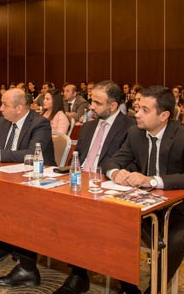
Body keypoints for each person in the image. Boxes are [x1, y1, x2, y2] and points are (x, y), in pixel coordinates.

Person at [103, 85, 184, 294]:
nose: (137, 114)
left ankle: (154, 290)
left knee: (173, 242)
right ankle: (129, 287)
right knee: (109, 226)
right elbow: (111, 162)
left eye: (145, 110)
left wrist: (152, 181)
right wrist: (115, 173)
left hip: (180, 211)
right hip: (142, 207)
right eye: (138, 108)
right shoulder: (135, 133)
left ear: (164, 115)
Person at [54, 81, 134, 294]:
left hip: (106, 186)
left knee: (83, 215)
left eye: (98, 103)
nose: (91, 107)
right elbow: (77, 158)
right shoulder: (89, 126)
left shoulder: (130, 128)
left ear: (113, 106)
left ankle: (81, 274)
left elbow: (130, 163)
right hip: (78, 183)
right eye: (92, 101)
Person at [0, 88, 54, 288]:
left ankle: (27, 268)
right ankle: (6, 240)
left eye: (5, 105)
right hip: (9, 176)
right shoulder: (4, 122)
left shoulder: (40, 124)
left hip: (38, 180)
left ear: (19, 108)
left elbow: (31, 154)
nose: (0, 109)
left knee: (20, 207)